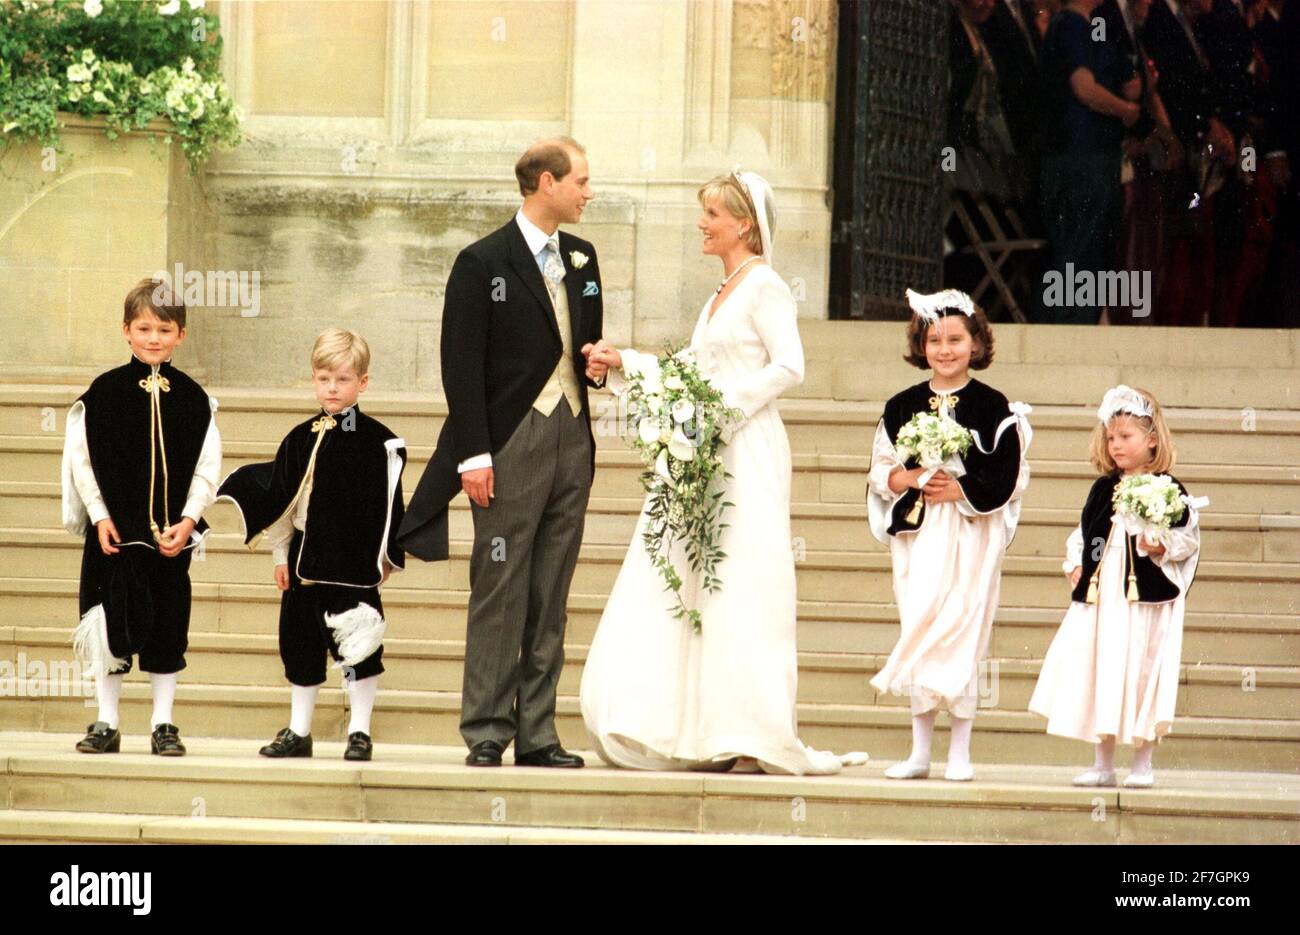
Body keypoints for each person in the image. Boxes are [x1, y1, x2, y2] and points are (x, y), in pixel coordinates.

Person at [580, 172, 865, 775]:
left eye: (712, 213)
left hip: (747, 448)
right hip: (704, 450)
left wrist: (719, 413)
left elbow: (791, 365)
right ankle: (699, 731)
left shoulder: (765, 287)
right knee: (695, 583)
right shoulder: (720, 293)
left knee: (744, 584)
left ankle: (751, 734)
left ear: (745, 224)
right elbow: (693, 369)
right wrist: (624, 361)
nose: (702, 223)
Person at [397, 137, 606, 768]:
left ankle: (538, 733)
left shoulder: (584, 257)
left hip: (574, 439)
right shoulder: (481, 261)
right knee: (500, 586)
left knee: (551, 592)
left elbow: (583, 343)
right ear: (547, 183)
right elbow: (460, 369)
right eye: (581, 182)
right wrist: (474, 456)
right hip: (509, 440)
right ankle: (488, 728)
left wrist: (597, 366)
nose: (588, 192)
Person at [217, 329, 406, 761]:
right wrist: (281, 554)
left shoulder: (380, 442)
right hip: (305, 556)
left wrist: (386, 555)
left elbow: (391, 504)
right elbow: (283, 503)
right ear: (313, 380)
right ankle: (299, 731)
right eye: (323, 379)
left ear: (363, 382)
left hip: (355, 560)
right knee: (300, 644)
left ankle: (359, 731)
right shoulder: (300, 437)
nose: (332, 388)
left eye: (342, 379)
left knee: (360, 643)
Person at [866, 289, 1031, 781]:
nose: (945, 349)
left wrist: (960, 488)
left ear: (976, 344)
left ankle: (959, 749)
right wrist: (913, 479)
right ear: (921, 345)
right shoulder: (901, 406)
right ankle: (919, 751)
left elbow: (1010, 474)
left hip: (970, 530)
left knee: (964, 630)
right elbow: (881, 471)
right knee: (920, 625)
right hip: (919, 535)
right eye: (934, 339)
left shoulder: (993, 405)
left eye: (956, 339)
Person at [61, 277, 222, 756]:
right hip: (113, 532)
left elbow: (207, 468)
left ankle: (164, 723)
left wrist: (191, 519)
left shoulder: (195, 401)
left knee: (168, 623)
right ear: (126, 330)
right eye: (145, 328)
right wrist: (98, 515)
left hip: (170, 536)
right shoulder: (105, 393)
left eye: (165, 329)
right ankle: (106, 720)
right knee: (108, 621)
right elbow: (82, 458)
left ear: (181, 335)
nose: (154, 338)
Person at [1030, 386, 1205, 788]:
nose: (1116, 445)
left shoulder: (1169, 489)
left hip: (1145, 600)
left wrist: (1159, 545)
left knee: (1142, 671)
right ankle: (1103, 762)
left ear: (1152, 439)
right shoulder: (1102, 489)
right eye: (1111, 438)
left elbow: (1187, 540)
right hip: (1104, 595)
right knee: (1102, 668)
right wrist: (1075, 564)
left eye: (1126, 437)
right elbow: (1084, 533)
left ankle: (1142, 762)